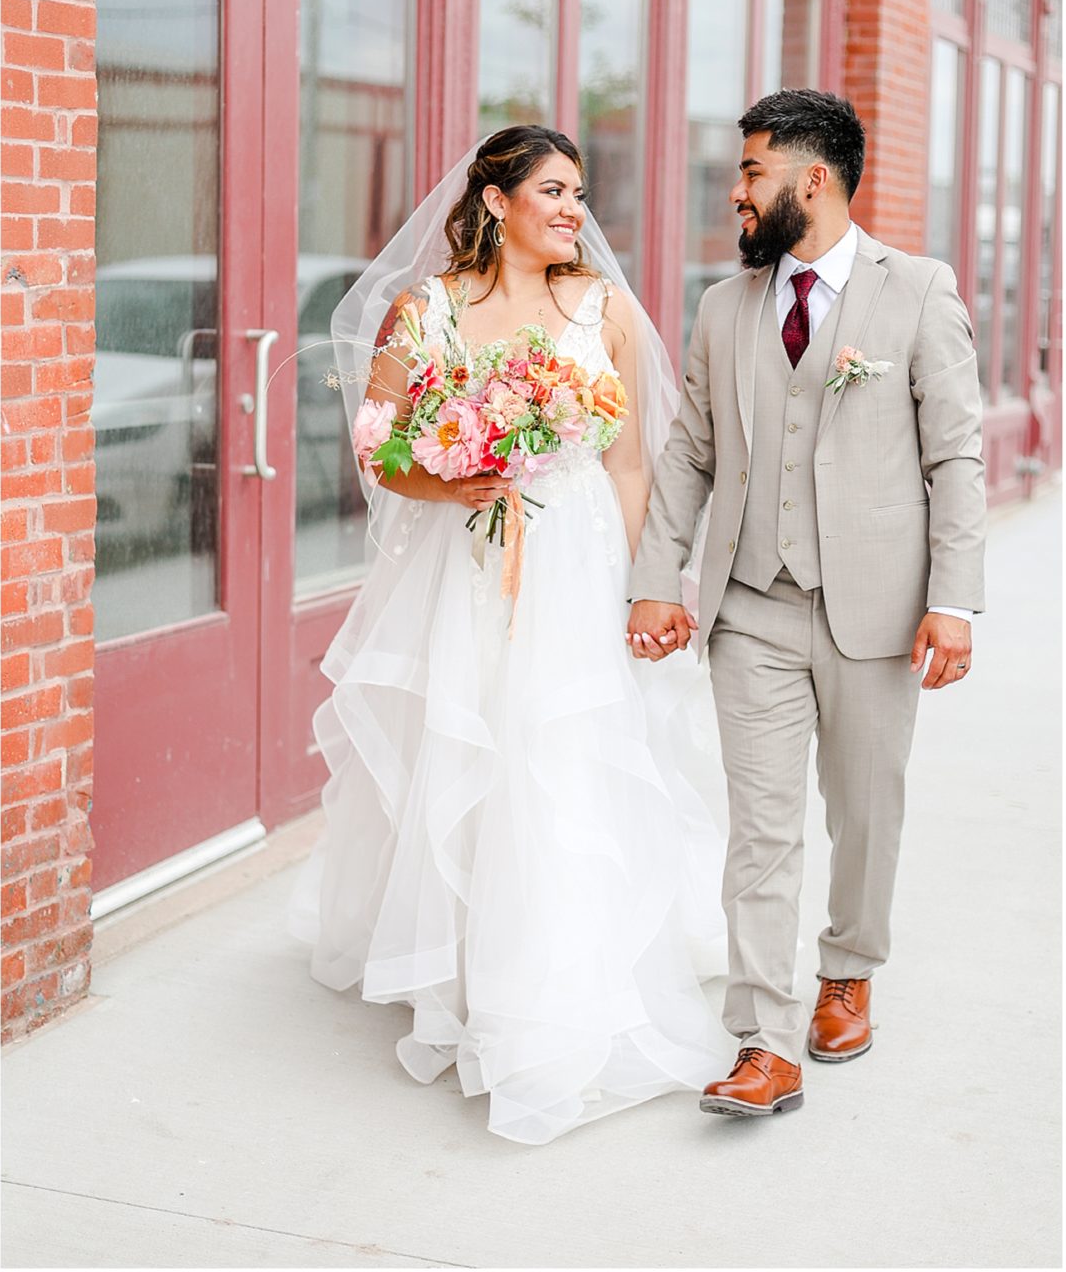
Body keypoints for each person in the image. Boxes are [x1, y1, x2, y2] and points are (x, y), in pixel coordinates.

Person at [289, 125, 733, 1145]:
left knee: (561, 756)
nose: (575, 210)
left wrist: (645, 588)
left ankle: (555, 977)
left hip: (579, 568)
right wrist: (449, 476)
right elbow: (380, 443)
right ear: (496, 202)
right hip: (467, 568)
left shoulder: (606, 310)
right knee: (471, 741)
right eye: (553, 189)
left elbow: (629, 466)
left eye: (580, 193)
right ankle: (456, 965)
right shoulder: (427, 310)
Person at [627, 89, 986, 1119]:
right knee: (761, 829)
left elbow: (955, 454)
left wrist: (953, 600)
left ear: (811, 179)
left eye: (751, 172)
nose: (735, 191)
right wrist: (658, 578)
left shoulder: (916, 291)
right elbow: (689, 453)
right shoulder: (719, 307)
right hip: (751, 610)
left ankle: (848, 968)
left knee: (865, 812)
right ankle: (763, 1039)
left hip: (875, 611)